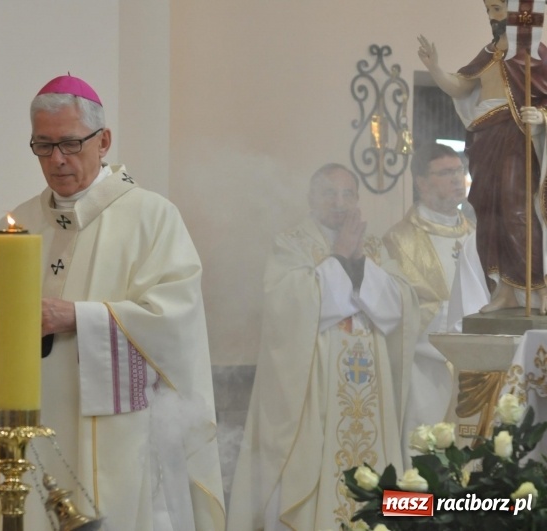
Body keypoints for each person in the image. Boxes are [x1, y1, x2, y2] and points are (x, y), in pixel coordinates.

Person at [0, 74, 225, 531]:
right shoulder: (22, 223)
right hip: (29, 425)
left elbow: (176, 320)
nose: (57, 160)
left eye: (71, 143)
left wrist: (77, 316)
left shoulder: (151, 216)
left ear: (104, 141)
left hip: (117, 431)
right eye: (43, 146)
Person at [226, 164, 418, 531]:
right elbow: (284, 305)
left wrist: (359, 262)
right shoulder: (291, 242)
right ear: (311, 198)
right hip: (316, 390)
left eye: (348, 194)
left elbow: (402, 304)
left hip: (369, 390)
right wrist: (341, 257)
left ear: (358, 200)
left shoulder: (374, 246)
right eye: (329, 193)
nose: (339, 203)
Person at [417, 0, 547, 314]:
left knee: (515, 207)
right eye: (489, 9)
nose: (493, 15)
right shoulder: (488, 54)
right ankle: (504, 288)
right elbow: (461, 87)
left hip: (515, 134)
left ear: (518, 14)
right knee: (489, 211)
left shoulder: (534, 56)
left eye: (499, 8)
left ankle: (535, 287)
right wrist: (434, 67)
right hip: (484, 136)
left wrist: (542, 115)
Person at [383, 143, 475, 463]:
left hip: (476, 375)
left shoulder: (479, 237)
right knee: (426, 468)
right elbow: (396, 309)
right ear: (421, 182)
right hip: (426, 374)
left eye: (460, 171)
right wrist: (456, 320)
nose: (457, 179)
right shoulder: (399, 240)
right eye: (446, 173)